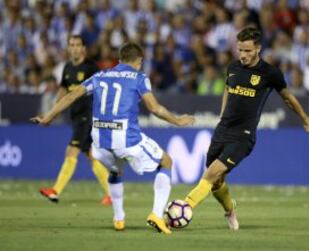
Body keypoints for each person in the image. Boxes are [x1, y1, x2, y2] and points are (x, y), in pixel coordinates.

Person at [31, 42, 195, 234]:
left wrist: (48, 117)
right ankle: (157, 215)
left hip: (99, 143)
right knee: (166, 162)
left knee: (115, 172)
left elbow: (71, 96)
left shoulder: (100, 75)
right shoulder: (139, 77)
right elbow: (155, 108)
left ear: (119, 60)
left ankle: (119, 219)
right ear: (139, 61)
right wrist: (178, 121)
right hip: (126, 138)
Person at [184, 27, 309, 230]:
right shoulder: (233, 67)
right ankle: (230, 210)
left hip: (243, 136)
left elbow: (288, 97)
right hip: (223, 130)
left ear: (258, 49)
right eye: (240, 50)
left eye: (247, 50)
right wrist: (222, 114)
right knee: (216, 182)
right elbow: (228, 90)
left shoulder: (270, 73)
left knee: (211, 174)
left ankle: (184, 207)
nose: (243, 55)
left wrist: (305, 118)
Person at [39, 35, 111, 205]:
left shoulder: (91, 67)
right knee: (91, 155)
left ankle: (55, 190)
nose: (75, 48)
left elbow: (102, 89)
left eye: (78, 45)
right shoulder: (68, 67)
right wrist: (52, 113)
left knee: (72, 150)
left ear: (84, 48)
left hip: (89, 115)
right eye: (71, 45)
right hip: (76, 116)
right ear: (68, 48)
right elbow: (63, 91)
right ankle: (112, 192)